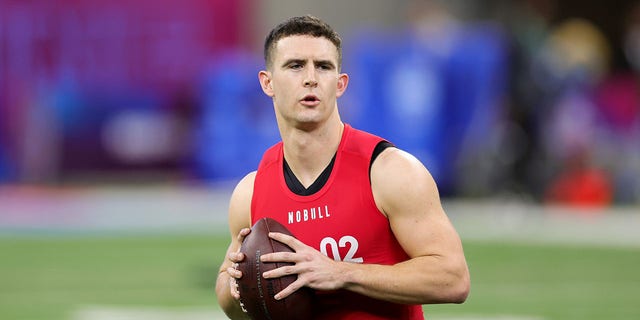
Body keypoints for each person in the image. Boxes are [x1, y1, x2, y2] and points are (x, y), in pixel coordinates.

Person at [215, 15, 470, 319]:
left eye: (323, 66)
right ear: (267, 82)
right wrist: (241, 282)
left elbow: (453, 278)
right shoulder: (251, 191)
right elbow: (229, 296)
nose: (311, 78)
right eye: (295, 66)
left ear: (340, 84)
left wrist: (341, 273)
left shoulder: (389, 171)